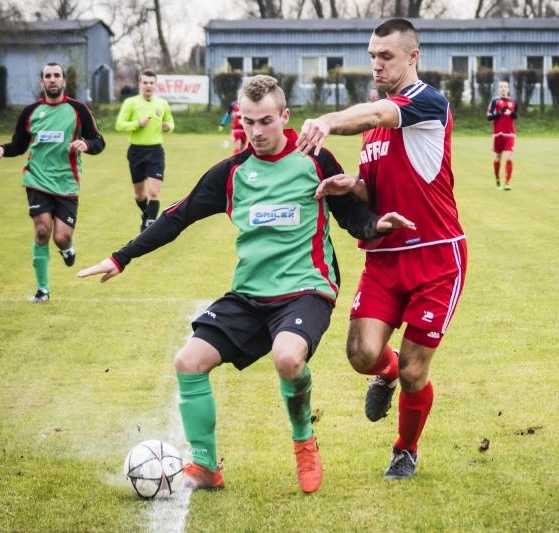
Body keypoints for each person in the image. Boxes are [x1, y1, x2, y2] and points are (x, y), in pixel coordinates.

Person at [78, 75, 414, 494]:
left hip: (306, 289)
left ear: (285, 117)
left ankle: (304, 442)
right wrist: (120, 257)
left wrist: (376, 225)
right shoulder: (232, 172)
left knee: (288, 358)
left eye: (266, 121)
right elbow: (177, 217)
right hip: (250, 293)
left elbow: (350, 216)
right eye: (248, 121)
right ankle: (205, 467)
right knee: (188, 361)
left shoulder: (316, 160)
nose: (256, 131)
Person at [297, 18, 467, 480]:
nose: (376, 64)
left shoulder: (426, 102)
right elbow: (378, 192)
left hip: (435, 258)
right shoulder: (377, 126)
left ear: (413, 57)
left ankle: (405, 449)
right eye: (372, 55)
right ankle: (384, 375)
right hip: (385, 257)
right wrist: (352, 185)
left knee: (415, 369)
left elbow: (375, 114)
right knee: (361, 354)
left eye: (386, 56)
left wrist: (328, 120)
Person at [0, 62, 106, 303]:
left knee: (61, 237)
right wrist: (2, 148)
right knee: (42, 230)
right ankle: (43, 289)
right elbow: (19, 144)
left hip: (67, 181)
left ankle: (67, 247)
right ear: (42, 82)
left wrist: (87, 144)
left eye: (57, 76)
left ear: (63, 81)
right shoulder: (30, 112)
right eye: (48, 76)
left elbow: (98, 140)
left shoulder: (78, 109)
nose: (52, 80)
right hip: (37, 180)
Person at [116, 68, 175, 232]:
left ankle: (150, 225)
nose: (148, 86)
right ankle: (145, 213)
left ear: (156, 85)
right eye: (145, 83)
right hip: (136, 152)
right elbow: (119, 125)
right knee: (140, 195)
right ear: (139, 84)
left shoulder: (162, 104)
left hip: (155, 151)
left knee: (154, 192)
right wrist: (136, 124)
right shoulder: (131, 103)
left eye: (151, 83)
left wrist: (168, 126)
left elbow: (170, 121)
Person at [486, 80, 518, 191]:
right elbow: (489, 117)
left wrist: (512, 113)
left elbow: (515, 116)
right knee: (498, 158)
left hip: (510, 134)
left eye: (505, 87)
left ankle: (507, 182)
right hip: (498, 133)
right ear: (498, 89)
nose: (503, 89)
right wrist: (500, 113)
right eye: (501, 87)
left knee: (509, 156)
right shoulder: (494, 101)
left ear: (508, 89)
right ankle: (497, 178)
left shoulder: (513, 102)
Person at [219, 89, 247, 154]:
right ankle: (235, 163)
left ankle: (240, 162)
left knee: (242, 149)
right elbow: (228, 114)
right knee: (238, 147)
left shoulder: (247, 105)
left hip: (245, 130)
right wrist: (222, 124)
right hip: (236, 129)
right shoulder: (234, 105)